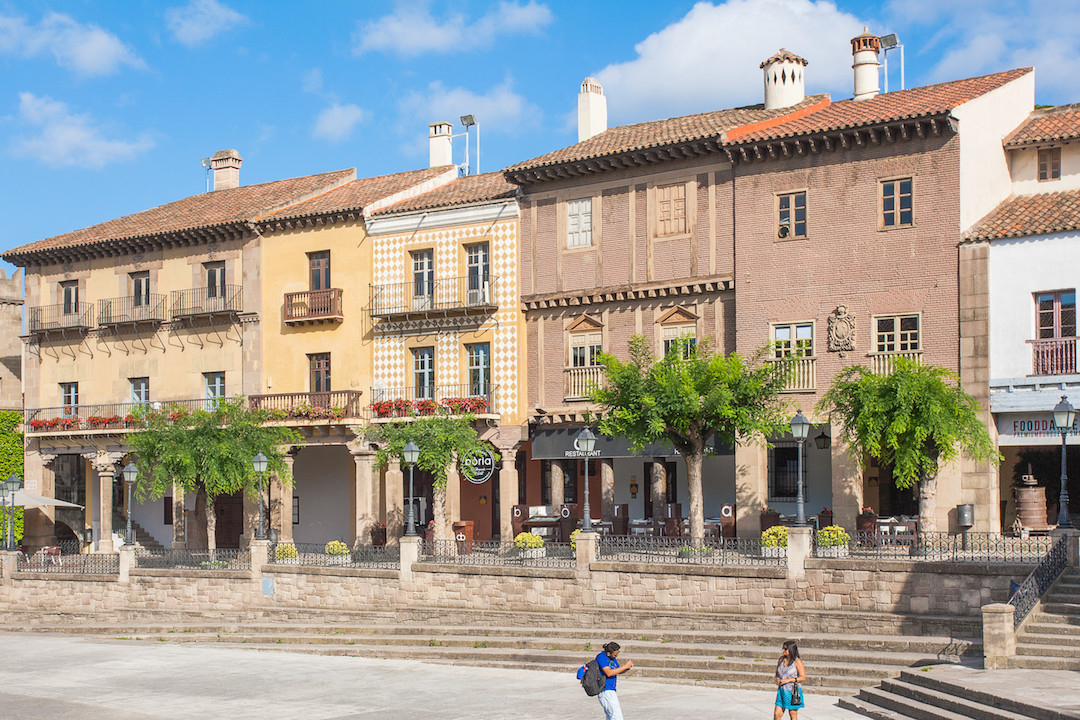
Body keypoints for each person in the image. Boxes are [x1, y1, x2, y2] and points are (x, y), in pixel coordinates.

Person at [596, 641, 633, 720]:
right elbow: (609, 673)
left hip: (611, 691)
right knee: (616, 717)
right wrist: (624, 666)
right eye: (615, 654)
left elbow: (617, 670)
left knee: (611, 716)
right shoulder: (601, 657)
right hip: (605, 691)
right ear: (609, 653)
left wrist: (627, 668)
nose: (616, 656)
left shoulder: (612, 658)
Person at [774, 639, 806, 720]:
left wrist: (789, 680)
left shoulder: (797, 662)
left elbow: (803, 677)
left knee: (792, 714)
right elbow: (777, 672)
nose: (783, 650)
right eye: (783, 648)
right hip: (782, 690)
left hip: (792, 691)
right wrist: (777, 679)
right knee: (777, 714)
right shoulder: (781, 659)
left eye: (785, 649)